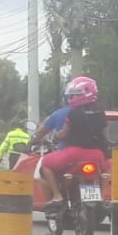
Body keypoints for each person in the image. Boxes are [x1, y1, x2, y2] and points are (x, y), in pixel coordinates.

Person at [40, 75, 108, 212]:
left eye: (75, 95)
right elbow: (106, 136)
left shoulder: (73, 114)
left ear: (83, 95)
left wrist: (56, 136)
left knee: (45, 163)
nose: (72, 98)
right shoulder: (101, 114)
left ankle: (57, 196)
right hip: (97, 156)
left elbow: (63, 134)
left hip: (73, 154)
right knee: (106, 171)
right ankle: (102, 195)